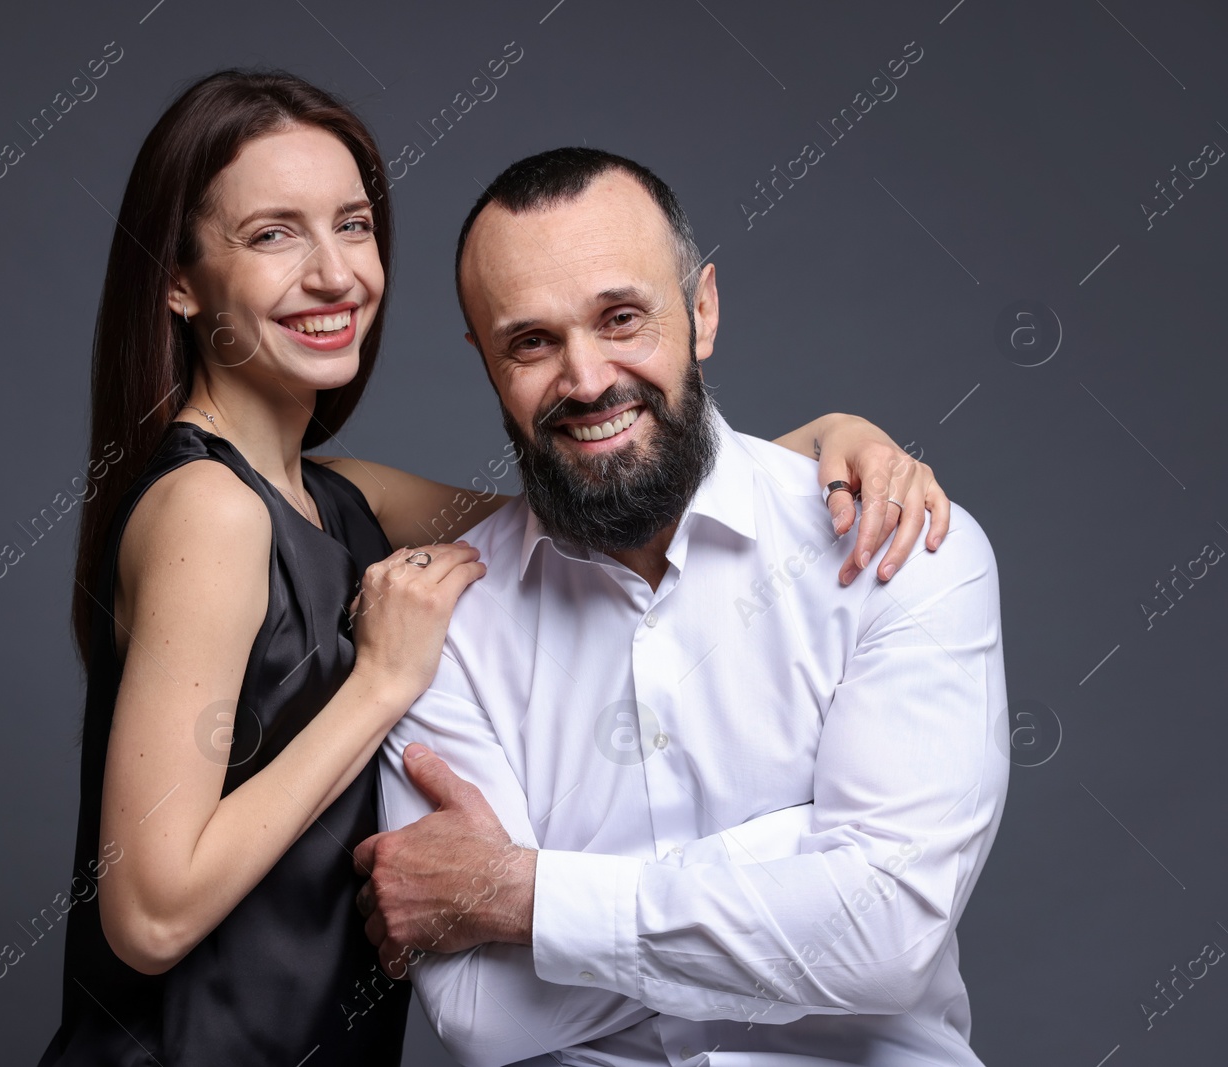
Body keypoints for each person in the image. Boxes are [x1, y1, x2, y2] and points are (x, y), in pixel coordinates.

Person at [38, 71, 957, 1067]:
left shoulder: (337, 495)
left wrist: (822, 441)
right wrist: (381, 684)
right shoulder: (209, 509)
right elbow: (150, 909)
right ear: (179, 280)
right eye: (272, 234)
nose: (334, 272)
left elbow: (612, 497)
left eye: (352, 224)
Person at [358, 148, 1009, 1067]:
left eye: (622, 318)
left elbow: (887, 937)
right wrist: (805, 864)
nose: (586, 380)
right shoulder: (441, 621)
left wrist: (522, 895)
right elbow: (481, 1010)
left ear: (701, 309)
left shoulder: (901, 549)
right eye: (532, 342)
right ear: (485, 359)